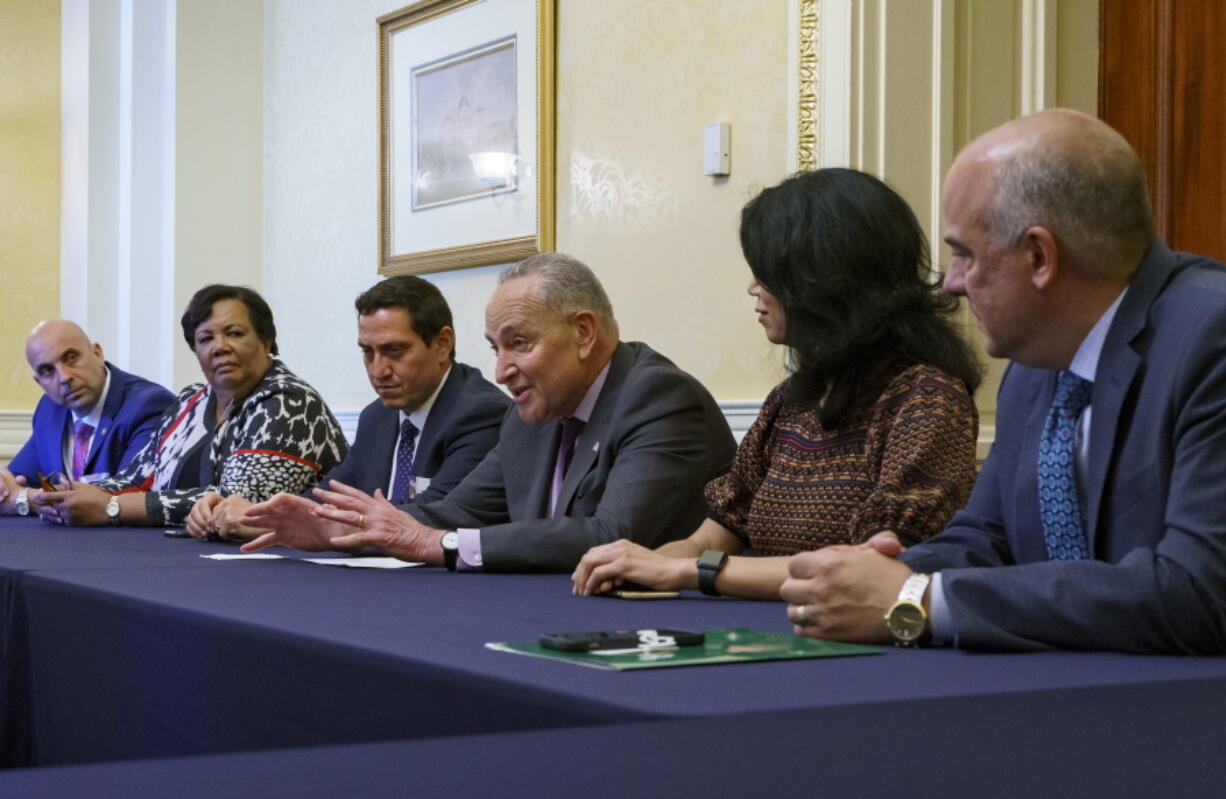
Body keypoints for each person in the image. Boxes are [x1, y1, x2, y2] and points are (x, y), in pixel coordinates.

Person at [780, 108, 1226, 654]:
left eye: (964, 254)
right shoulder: (1035, 367)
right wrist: (871, 573)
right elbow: (987, 539)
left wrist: (921, 600)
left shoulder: (1211, 339)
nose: (951, 285)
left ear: (1039, 256)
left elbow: (1201, 592)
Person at [571, 169, 980, 600]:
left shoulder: (926, 399)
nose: (752, 289)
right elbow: (708, 541)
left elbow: (873, 567)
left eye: (766, 274)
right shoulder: (789, 403)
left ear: (821, 279)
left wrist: (694, 572)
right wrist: (636, 564)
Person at [242, 253, 737, 571]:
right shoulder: (534, 413)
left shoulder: (659, 398)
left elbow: (610, 535)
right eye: (495, 348)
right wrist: (342, 531)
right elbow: (451, 511)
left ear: (584, 333)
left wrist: (446, 546)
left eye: (518, 344)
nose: (501, 371)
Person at [197, 276, 509, 540]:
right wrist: (256, 513)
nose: (378, 370)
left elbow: (436, 514)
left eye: (394, 351)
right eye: (368, 352)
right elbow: (326, 496)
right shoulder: (378, 416)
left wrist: (268, 523)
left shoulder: (480, 413)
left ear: (442, 343)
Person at [32, 285, 348, 530]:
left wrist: (110, 508)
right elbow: (138, 477)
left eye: (234, 334)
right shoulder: (192, 401)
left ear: (266, 342)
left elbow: (236, 503)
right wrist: (63, 494)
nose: (220, 347)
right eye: (205, 339)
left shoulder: (288, 402)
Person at [0, 320, 174, 517]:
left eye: (71, 358)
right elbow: (12, 483)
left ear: (97, 354)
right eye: (48, 371)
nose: (64, 377)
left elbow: (127, 493)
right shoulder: (50, 409)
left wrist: (26, 499)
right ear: (40, 383)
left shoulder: (148, 405)